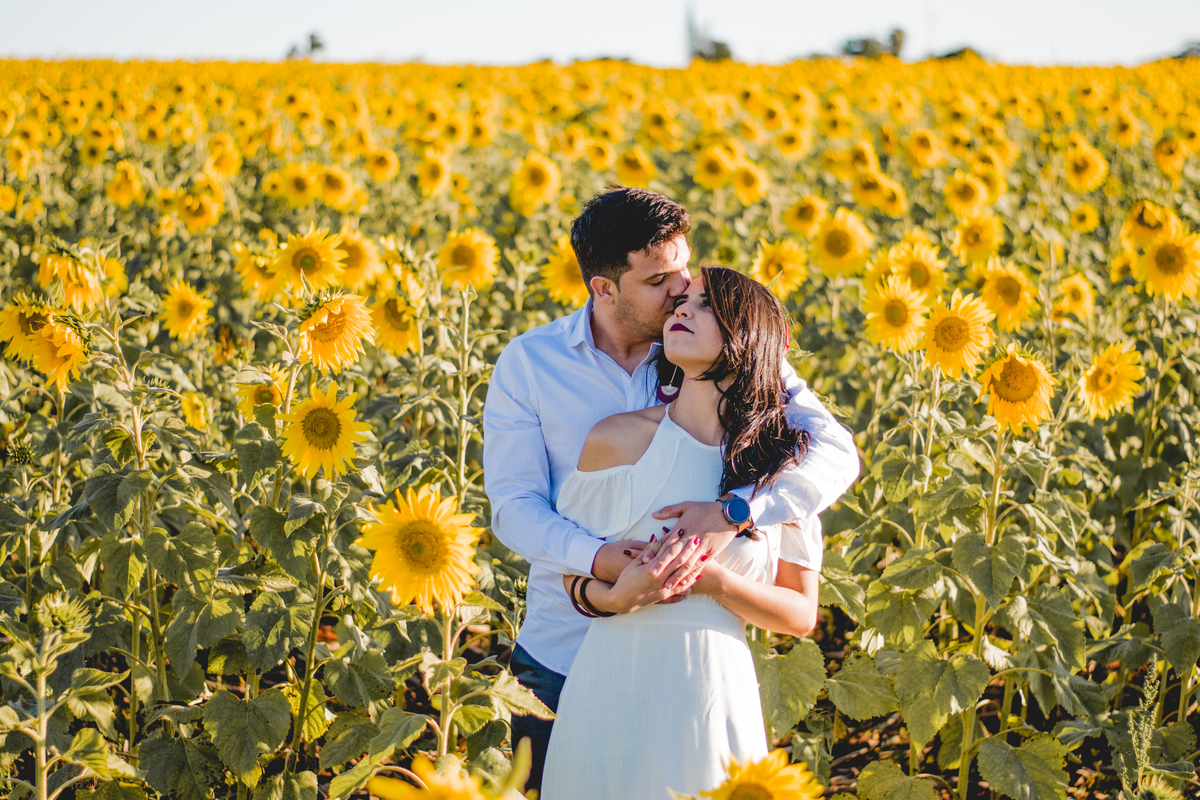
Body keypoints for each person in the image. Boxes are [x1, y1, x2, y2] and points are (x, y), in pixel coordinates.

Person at [482, 187, 858, 792]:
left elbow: (833, 449)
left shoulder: (720, 343)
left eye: (685, 269)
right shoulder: (531, 365)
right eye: (660, 279)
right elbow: (515, 508)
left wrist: (737, 511)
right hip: (565, 644)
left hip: (686, 668)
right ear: (604, 288)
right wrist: (602, 562)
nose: (681, 288)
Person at [540, 266, 826, 799]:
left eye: (705, 305)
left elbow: (801, 614)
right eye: (680, 303)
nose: (681, 311)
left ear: (749, 334)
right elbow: (567, 574)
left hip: (712, 691)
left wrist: (713, 581)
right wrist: (619, 596)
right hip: (608, 684)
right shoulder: (616, 440)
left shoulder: (782, 471)